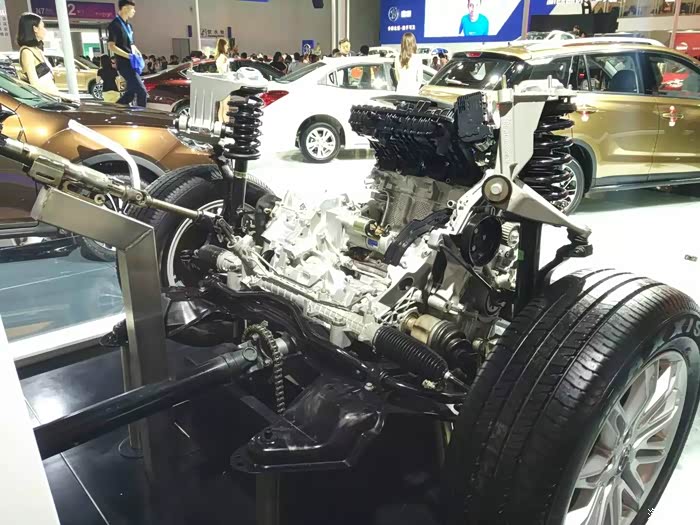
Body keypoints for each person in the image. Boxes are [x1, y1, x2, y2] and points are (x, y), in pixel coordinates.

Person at [108, 0, 147, 107]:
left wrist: (138, 54)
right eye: (132, 8)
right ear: (125, 8)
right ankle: (142, 115)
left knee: (130, 94)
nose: (134, 11)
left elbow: (131, 44)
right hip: (124, 64)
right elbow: (111, 46)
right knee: (142, 92)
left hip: (132, 64)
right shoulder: (114, 25)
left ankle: (114, 110)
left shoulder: (129, 26)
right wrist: (129, 56)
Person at [17, 13, 61, 98]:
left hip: (52, 97)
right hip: (45, 99)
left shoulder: (37, 50)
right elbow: (35, 84)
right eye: (43, 27)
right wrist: (64, 95)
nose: (45, 30)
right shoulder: (27, 52)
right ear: (35, 29)